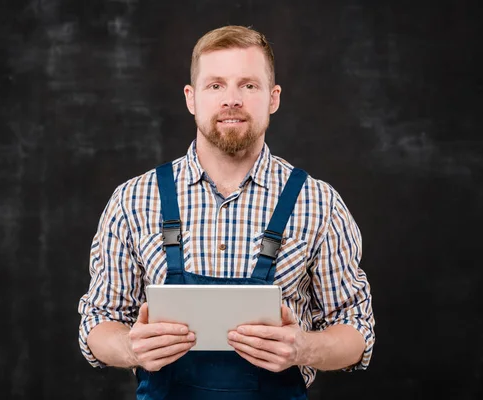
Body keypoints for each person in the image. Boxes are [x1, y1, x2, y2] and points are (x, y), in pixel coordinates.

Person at [78, 25, 375, 399]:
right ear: (191, 98)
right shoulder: (134, 199)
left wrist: (302, 348)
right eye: (215, 85)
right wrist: (130, 347)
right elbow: (98, 321)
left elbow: (356, 329)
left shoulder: (318, 203)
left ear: (273, 97)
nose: (231, 99)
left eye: (248, 85)